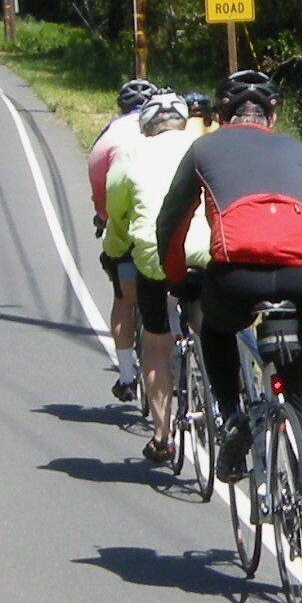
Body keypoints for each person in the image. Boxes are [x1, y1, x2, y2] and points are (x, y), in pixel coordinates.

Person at [155, 68, 302, 557]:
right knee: (294, 396)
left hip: (236, 271)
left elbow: (172, 222)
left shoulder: (204, 149)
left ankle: (232, 418)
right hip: (301, 274)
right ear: (272, 116)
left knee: (215, 330)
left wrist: (173, 277)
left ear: (220, 117)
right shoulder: (300, 151)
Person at [103, 92, 204, 463]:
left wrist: (114, 250)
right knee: (205, 320)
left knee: (157, 342)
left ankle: (163, 436)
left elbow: (118, 214)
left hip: (156, 257)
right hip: (205, 253)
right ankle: (218, 395)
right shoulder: (201, 146)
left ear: (146, 126)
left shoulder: (130, 154)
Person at [88, 78, 159, 400]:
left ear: (121, 108)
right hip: (170, 231)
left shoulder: (109, 136)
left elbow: (101, 192)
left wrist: (104, 218)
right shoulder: (170, 132)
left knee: (124, 298)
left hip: (127, 230)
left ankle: (128, 376)